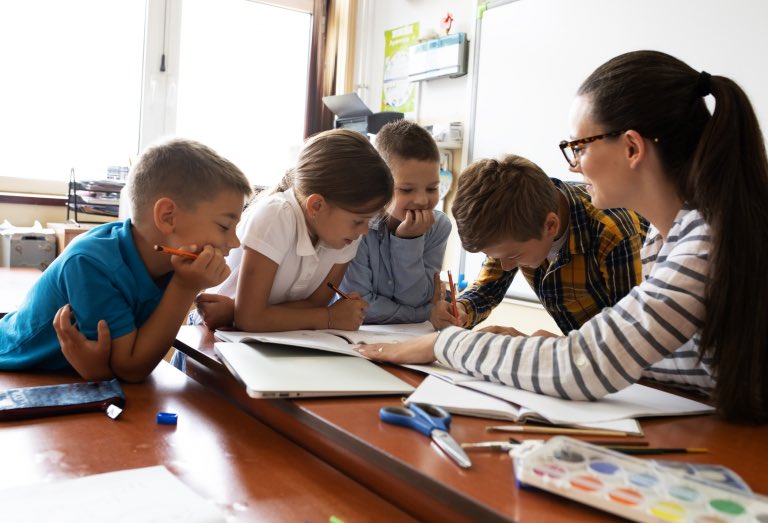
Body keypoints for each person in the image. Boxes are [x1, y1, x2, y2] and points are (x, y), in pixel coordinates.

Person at [360, 50, 768, 423]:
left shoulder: (703, 244)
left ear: (631, 148)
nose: (573, 166)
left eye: (579, 147)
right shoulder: (667, 240)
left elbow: (582, 366)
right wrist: (542, 348)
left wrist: (440, 346)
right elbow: (635, 351)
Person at [0, 138, 252, 382]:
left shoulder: (168, 259)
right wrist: (186, 288)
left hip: (65, 379)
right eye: (224, 226)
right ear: (168, 217)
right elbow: (131, 368)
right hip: (16, 371)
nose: (234, 242)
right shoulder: (90, 263)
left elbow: (125, 364)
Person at [193, 128, 394, 333]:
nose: (364, 231)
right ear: (316, 206)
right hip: (211, 335)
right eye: (358, 221)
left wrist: (236, 312)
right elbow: (251, 320)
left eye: (368, 221)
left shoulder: (345, 235)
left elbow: (315, 304)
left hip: (271, 336)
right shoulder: (277, 216)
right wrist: (330, 317)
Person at [431, 154, 648, 335]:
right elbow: (488, 289)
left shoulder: (613, 232)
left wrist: (540, 346)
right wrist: (460, 309)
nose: (506, 266)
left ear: (551, 225)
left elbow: (631, 338)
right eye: (496, 257)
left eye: (514, 256)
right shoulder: (512, 220)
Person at [340, 119, 451, 325]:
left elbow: (416, 298)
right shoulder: (357, 224)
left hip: (409, 341)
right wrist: (425, 313)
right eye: (407, 189)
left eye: (432, 188)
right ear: (379, 183)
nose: (422, 200)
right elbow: (360, 306)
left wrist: (410, 240)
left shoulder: (438, 227)